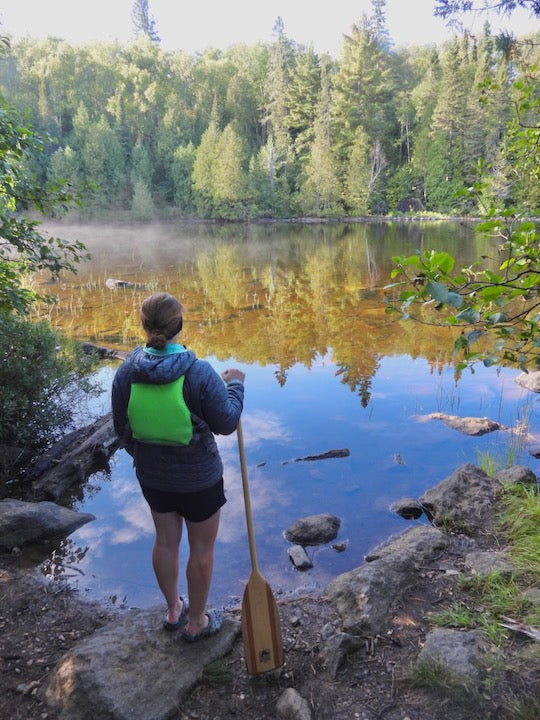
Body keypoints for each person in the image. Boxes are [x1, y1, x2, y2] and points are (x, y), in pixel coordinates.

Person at [111, 292, 245, 641]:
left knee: (166, 543)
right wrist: (236, 386)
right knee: (202, 549)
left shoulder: (126, 373)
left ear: (144, 326)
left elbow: (122, 431)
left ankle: (173, 610)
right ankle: (197, 621)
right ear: (179, 326)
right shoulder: (199, 372)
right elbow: (227, 422)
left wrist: (146, 459)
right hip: (200, 478)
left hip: (153, 478)